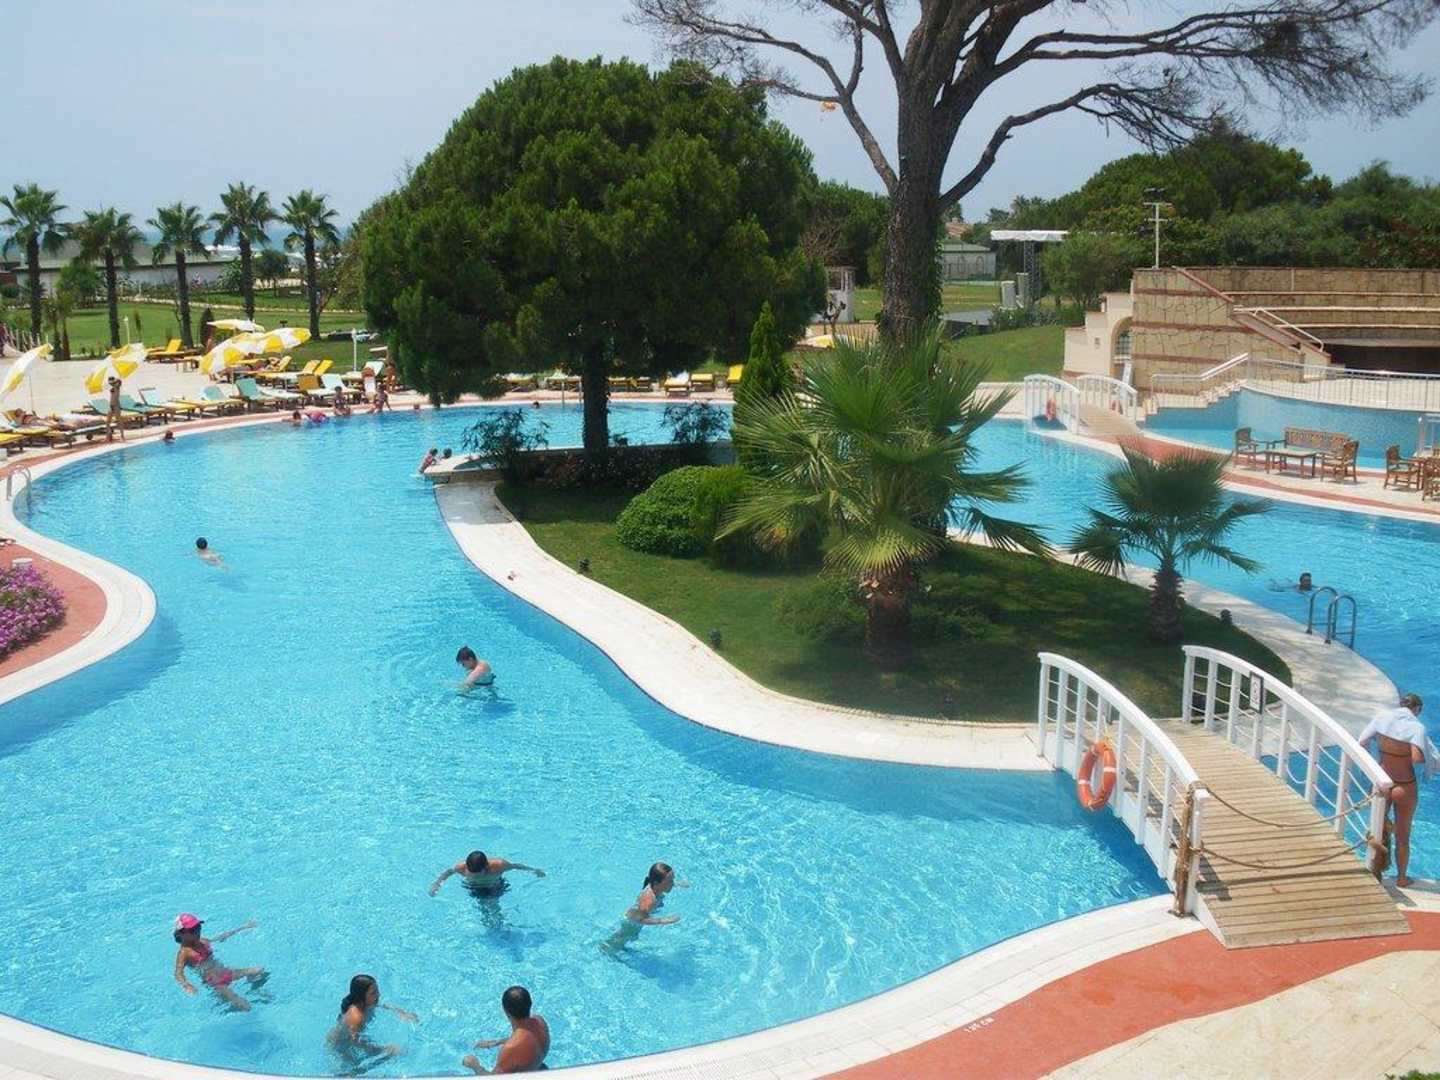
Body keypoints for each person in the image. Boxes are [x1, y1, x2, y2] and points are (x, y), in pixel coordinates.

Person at [1359, 693, 1434, 887]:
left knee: (1378, 829)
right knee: (1402, 836)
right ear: (1417, 709)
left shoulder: (1381, 718)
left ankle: (1374, 871)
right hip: (1404, 785)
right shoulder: (1416, 728)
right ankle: (1401, 878)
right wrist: (1430, 757)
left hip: (1383, 782)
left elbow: (1362, 741)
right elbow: (1417, 758)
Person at [171, 913, 266, 1012]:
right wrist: (187, 985)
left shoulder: (202, 941)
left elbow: (220, 937)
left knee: (260, 971)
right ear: (180, 934)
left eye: (198, 927)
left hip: (227, 973)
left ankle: (254, 991)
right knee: (245, 1007)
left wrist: (243, 927)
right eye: (192, 930)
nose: (197, 932)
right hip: (216, 983)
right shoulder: (184, 953)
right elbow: (178, 973)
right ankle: (226, 1008)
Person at [328, 974, 416, 1067]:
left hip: (351, 1038)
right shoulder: (356, 1016)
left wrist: (402, 1013)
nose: (378, 994)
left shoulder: (367, 1002)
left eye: (377, 990)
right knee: (356, 1070)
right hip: (341, 1045)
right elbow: (355, 1041)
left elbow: (382, 1005)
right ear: (362, 996)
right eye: (373, 992)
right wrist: (384, 1049)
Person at [462, 985, 550, 1075]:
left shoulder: (510, 1049)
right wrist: (497, 1042)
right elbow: (526, 1040)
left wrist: (475, 1065)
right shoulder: (540, 1022)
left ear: (505, 1011)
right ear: (530, 1004)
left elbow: (493, 1078)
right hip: (540, 1069)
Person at [602, 862, 686, 952]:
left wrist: (680, 884)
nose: (672, 883)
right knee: (619, 940)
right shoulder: (649, 900)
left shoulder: (656, 885)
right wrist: (664, 920)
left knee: (627, 939)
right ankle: (604, 949)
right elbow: (641, 919)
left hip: (636, 917)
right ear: (657, 883)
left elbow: (667, 882)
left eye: (672, 879)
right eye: (670, 881)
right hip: (632, 922)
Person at [430, 850, 546, 898]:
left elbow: (516, 865)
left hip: (495, 886)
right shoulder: (461, 867)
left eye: (478, 873)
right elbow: (448, 872)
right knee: (485, 910)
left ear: (487, 866)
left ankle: (498, 927)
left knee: (493, 908)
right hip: (474, 888)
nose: (475, 875)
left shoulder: (499, 865)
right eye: (472, 872)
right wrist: (436, 885)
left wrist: (535, 870)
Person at [106, 376, 126, 443]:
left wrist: (115, 381)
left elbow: (119, 381)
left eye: (111, 381)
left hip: (116, 405)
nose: (110, 382)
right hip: (111, 406)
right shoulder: (113, 387)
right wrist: (112, 383)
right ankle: (109, 435)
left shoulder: (117, 387)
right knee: (107, 421)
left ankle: (122, 436)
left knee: (119, 421)